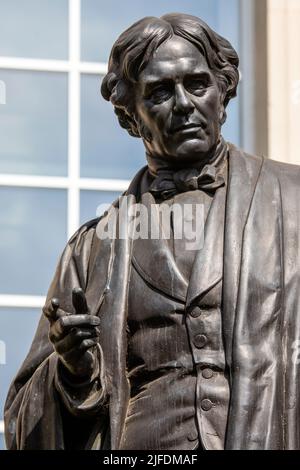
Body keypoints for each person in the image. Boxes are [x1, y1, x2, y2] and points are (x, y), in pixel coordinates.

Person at [4, 13, 300, 450]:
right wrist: (72, 373)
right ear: (132, 117)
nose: (183, 103)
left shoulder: (292, 203)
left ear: (223, 93)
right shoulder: (92, 249)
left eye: (197, 84)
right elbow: (21, 423)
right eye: (160, 92)